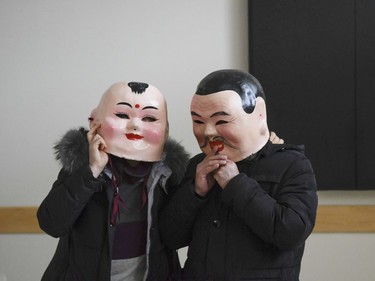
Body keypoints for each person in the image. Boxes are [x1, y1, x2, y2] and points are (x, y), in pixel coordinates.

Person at [159, 69, 318, 281]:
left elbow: (291, 233)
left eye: (221, 121)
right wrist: (195, 192)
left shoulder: (291, 164)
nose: (207, 132)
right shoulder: (198, 166)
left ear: (259, 114)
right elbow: (171, 237)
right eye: (198, 121)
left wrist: (235, 184)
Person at [37, 81, 189, 281]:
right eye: (122, 115)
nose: (135, 125)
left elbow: (176, 237)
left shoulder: (168, 176)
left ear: (166, 130)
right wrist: (91, 171)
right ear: (94, 122)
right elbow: (51, 224)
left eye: (149, 118)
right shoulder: (81, 168)